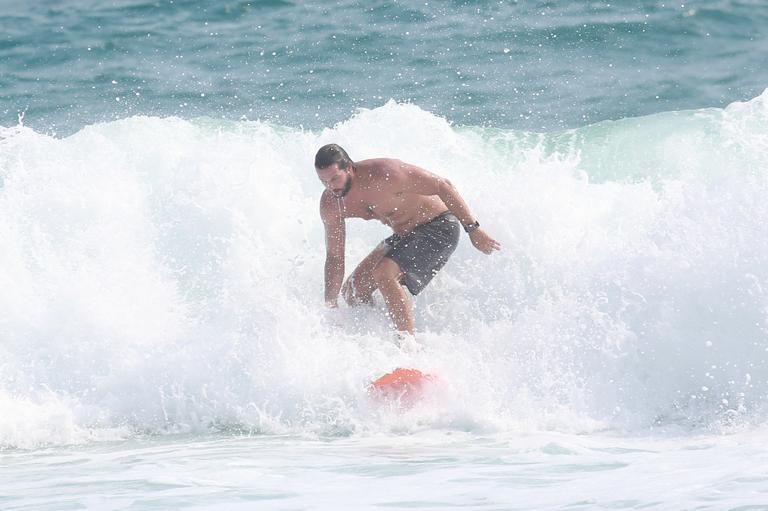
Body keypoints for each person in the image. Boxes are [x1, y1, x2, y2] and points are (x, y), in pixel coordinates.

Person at [315, 143, 500, 339]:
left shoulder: (385, 173)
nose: (331, 186)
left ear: (349, 168)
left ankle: (408, 346)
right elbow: (335, 256)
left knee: (384, 273)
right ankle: (382, 335)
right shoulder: (331, 204)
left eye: (335, 178)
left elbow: (442, 185)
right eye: (323, 181)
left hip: (439, 226)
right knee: (353, 292)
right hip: (405, 236)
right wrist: (330, 304)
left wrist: (473, 229)